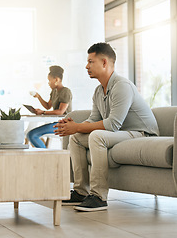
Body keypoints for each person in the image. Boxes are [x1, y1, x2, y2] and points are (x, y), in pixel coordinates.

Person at [54, 43, 159, 212]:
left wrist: (78, 126)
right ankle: (81, 192)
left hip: (141, 133)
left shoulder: (122, 86)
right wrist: (74, 127)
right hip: (121, 133)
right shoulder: (98, 91)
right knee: (75, 139)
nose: (86, 66)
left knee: (97, 136)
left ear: (104, 62)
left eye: (90, 61)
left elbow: (112, 124)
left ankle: (99, 196)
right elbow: (94, 119)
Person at [27, 65, 72, 148]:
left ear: (56, 80)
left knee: (32, 135)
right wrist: (39, 97)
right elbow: (48, 106)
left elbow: (60, 112)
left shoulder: (65, 91)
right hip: (56, 122)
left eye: (49, 80)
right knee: (31, 134)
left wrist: (43, 112)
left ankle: (46, 155)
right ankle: (45, 154)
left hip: (63, 124)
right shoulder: (54, 91)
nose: (48, 83)